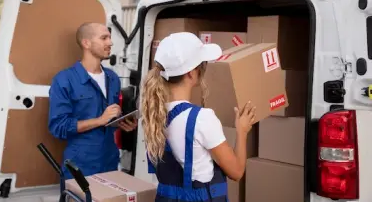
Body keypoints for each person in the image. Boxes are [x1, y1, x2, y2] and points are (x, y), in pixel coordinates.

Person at [140, 32, 256, 202]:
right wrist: (242, 130)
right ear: (191, 74)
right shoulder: (201, 118)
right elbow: (236, 171)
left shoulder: (152, 114)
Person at [48, 22, 138, 179]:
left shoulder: (113, 78)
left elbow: (109, 120)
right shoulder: (64, 80)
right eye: (104, 38)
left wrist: (123, 124)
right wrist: (100, 120)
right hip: (81, 166)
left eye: (109, 38)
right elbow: (58, 127)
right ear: (86, 43)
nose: (110, 43)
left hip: (110, 162)